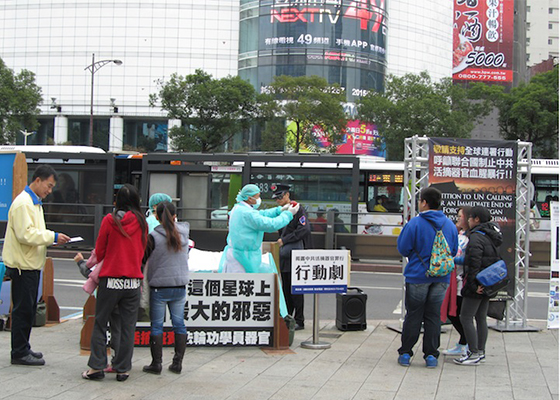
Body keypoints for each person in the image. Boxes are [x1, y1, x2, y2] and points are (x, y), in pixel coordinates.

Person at [3, 165, 71, 366]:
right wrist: (53, 237)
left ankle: (23, 347)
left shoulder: (34, 203)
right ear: (38, 180)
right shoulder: (24, 203)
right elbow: (27, 234)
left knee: (28, 309)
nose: (49, 190)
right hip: (23, 267)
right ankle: (19, 352)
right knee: (23, 310)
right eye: (48, 186)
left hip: (30, 265)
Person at [83, 184, 147, 382]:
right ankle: (123, 368)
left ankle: (96, 367)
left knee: (101, 323)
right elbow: (143, 250)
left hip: (110, 280)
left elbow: (100, 250)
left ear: (117, 201)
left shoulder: (109, 220)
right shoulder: (142, 222)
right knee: (128, 327)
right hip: (133, 282)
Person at [396, 187, 458, 368]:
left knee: (414, 315)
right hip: (442, 277)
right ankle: (431, 356)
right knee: (433, 316)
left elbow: (403, 248)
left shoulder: (414, 224)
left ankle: (406, 353)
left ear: (424, 202)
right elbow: (453, 251)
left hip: (417, 275)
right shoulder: (450, 225)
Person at [143, 202, 190, 375]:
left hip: (159, 287)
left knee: (156, 326)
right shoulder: (184, 234)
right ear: (175, 215)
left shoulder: (153, 237)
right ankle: (177, 363)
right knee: (179, 324)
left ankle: (156, 364)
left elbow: (143, 258)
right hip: (179, 285)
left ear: (156, 216)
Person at [455, 206, 502, 366]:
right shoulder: (491, 234)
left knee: (466, 317)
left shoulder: (475, 237)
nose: (467, 220)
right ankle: (480, 351)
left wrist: (473, 284)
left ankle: (473, 352)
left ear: (476, 219)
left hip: (477, 283)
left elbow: (473, 262)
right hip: (488, 282)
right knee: (481, 317)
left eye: (470, 218)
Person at [219, 183, 299, 274]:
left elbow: (261, 214)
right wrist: (288, 214)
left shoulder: (238, 208)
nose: (258, 199)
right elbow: (270, 225)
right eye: (257, 197)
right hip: (243, 260)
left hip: (238, 256)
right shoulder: (247, 214)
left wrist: (278, 210)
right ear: (249, 198)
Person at [74, 251, 121, 374]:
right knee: (119, 328)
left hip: (106, 292)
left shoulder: (105, 248)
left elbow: (90, 272)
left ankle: (98, 365)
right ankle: (119, 364)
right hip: (127, 291)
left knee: (100, 326)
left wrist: (80, 261)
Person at [273, 184, 312, 331]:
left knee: (296, 289)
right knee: (286, 288)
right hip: (285, 254)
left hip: (295, 254)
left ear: (287, 195)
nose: (278, 200)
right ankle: (288, 317)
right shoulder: (281, 211)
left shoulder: (297, 209)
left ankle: (299, 320)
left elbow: (304, 229)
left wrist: (286, 240)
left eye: (280, 197)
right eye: (276, 198)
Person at [441, 206, 471, 357]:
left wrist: (453, 260)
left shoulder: (472, 237)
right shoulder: (459, 233)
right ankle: (463, 342)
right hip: (455, 277)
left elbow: (469, 258)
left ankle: (468, 343)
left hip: (463, 279)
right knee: (453, 312)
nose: (458, 219)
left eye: (461, 216)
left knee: (457, 313)